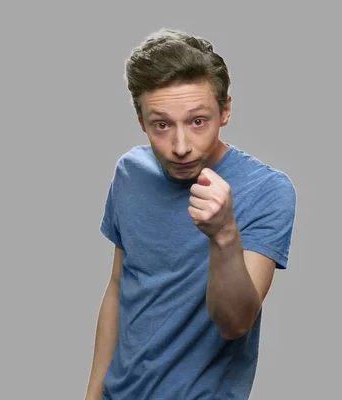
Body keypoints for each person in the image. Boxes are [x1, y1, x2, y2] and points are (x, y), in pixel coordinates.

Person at [85, 28, 297, 400]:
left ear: (225, 110)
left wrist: (224, 234)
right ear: (141, 121)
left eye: (198, 121)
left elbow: (235, 324)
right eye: (162, 125)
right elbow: (119, 288)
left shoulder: (268, 190)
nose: (180, 147)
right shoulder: (130, 172)